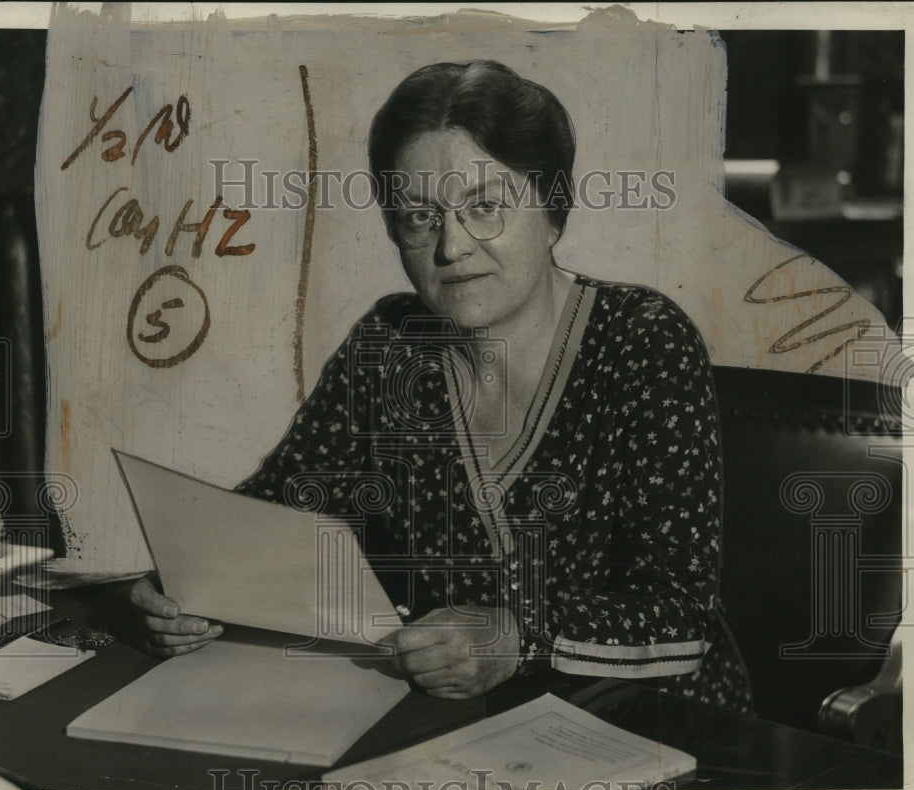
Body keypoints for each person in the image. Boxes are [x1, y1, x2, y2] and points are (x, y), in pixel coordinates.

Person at [131, 60, 753, 712]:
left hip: (664, 727)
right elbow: (279, 514)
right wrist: (183, 583)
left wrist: (519, 635)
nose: (452, 247)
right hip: (464, 727)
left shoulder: (643, 343)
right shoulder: (390, 346)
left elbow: (682, 617)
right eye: (418, 217)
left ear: (552, 211)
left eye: (485, 207)